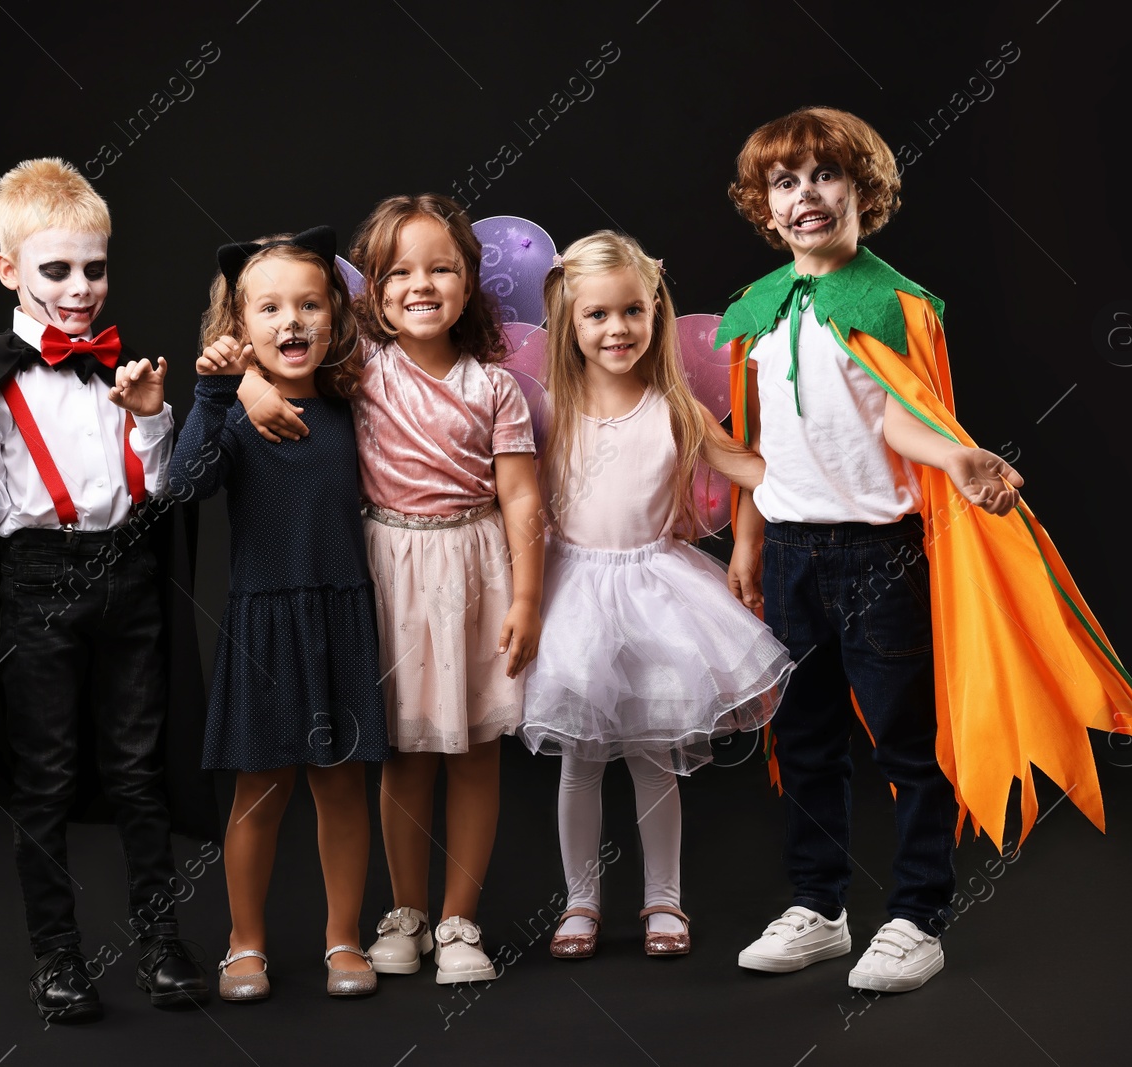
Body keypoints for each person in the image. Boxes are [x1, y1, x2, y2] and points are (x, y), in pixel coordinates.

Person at [721, 107, 1132, 993]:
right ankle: (820, 904)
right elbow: (754, 439)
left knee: (906, 746)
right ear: (765, 207)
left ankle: (917, 915)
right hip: (791, 554)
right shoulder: (756, 310)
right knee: (803, 740)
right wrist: (748, 542)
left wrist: (958, 455)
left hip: (878, 558)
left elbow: (903, 413)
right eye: (786, 182)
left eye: (826, 176)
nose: (807, 196)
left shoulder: (892, 300)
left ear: (863, 191)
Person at [0, 158, 210, 1020]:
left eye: (94, 269)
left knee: (140, 773)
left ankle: (161, 944)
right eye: (57, 270)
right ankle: (59, 959)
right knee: (47, 779)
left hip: (129, 578)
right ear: (9, 269)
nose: (79, 289)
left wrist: (148, 414)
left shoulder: (118, 369)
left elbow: (154, 491)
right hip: (38, 586)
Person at [248, 194, 544, 985]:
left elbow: (521, 498)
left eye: (441, 267)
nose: (422, 284)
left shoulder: (495, 388)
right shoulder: (358, 372)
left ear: (470, 282)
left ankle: (458, 919)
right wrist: (247, 384)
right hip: (384, 567)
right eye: (400, 271)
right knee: (404, 750)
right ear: (372, 291)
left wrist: (526, 597)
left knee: (477, 749)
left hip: (475, 566)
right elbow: (272, 342)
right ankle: (406, 910)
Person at [519, 231, 792, 960]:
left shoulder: (675, 408)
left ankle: (664, 899)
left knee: (652, 754)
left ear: (656, 310)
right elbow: (517, 503)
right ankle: (580, 901)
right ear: (569, 322)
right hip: (572, 591)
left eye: (633, 311)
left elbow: (755, 469)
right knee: (580, 759)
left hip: (658, 593)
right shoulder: (550, 415)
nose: (618, 330)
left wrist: (745, 542)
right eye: (598, 316)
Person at [168, 227, 388, 1000]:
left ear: (335, 313)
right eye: (269, 308)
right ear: (238, 326)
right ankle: (245, 940)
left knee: (340, 787)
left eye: (308, 303)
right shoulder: (229, 410)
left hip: (340, 617)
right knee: (258, 792)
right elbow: (183, 485)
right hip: (264, 623)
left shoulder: (350, 400)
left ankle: (344, 938)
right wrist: (219, 391)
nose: (291, 321)